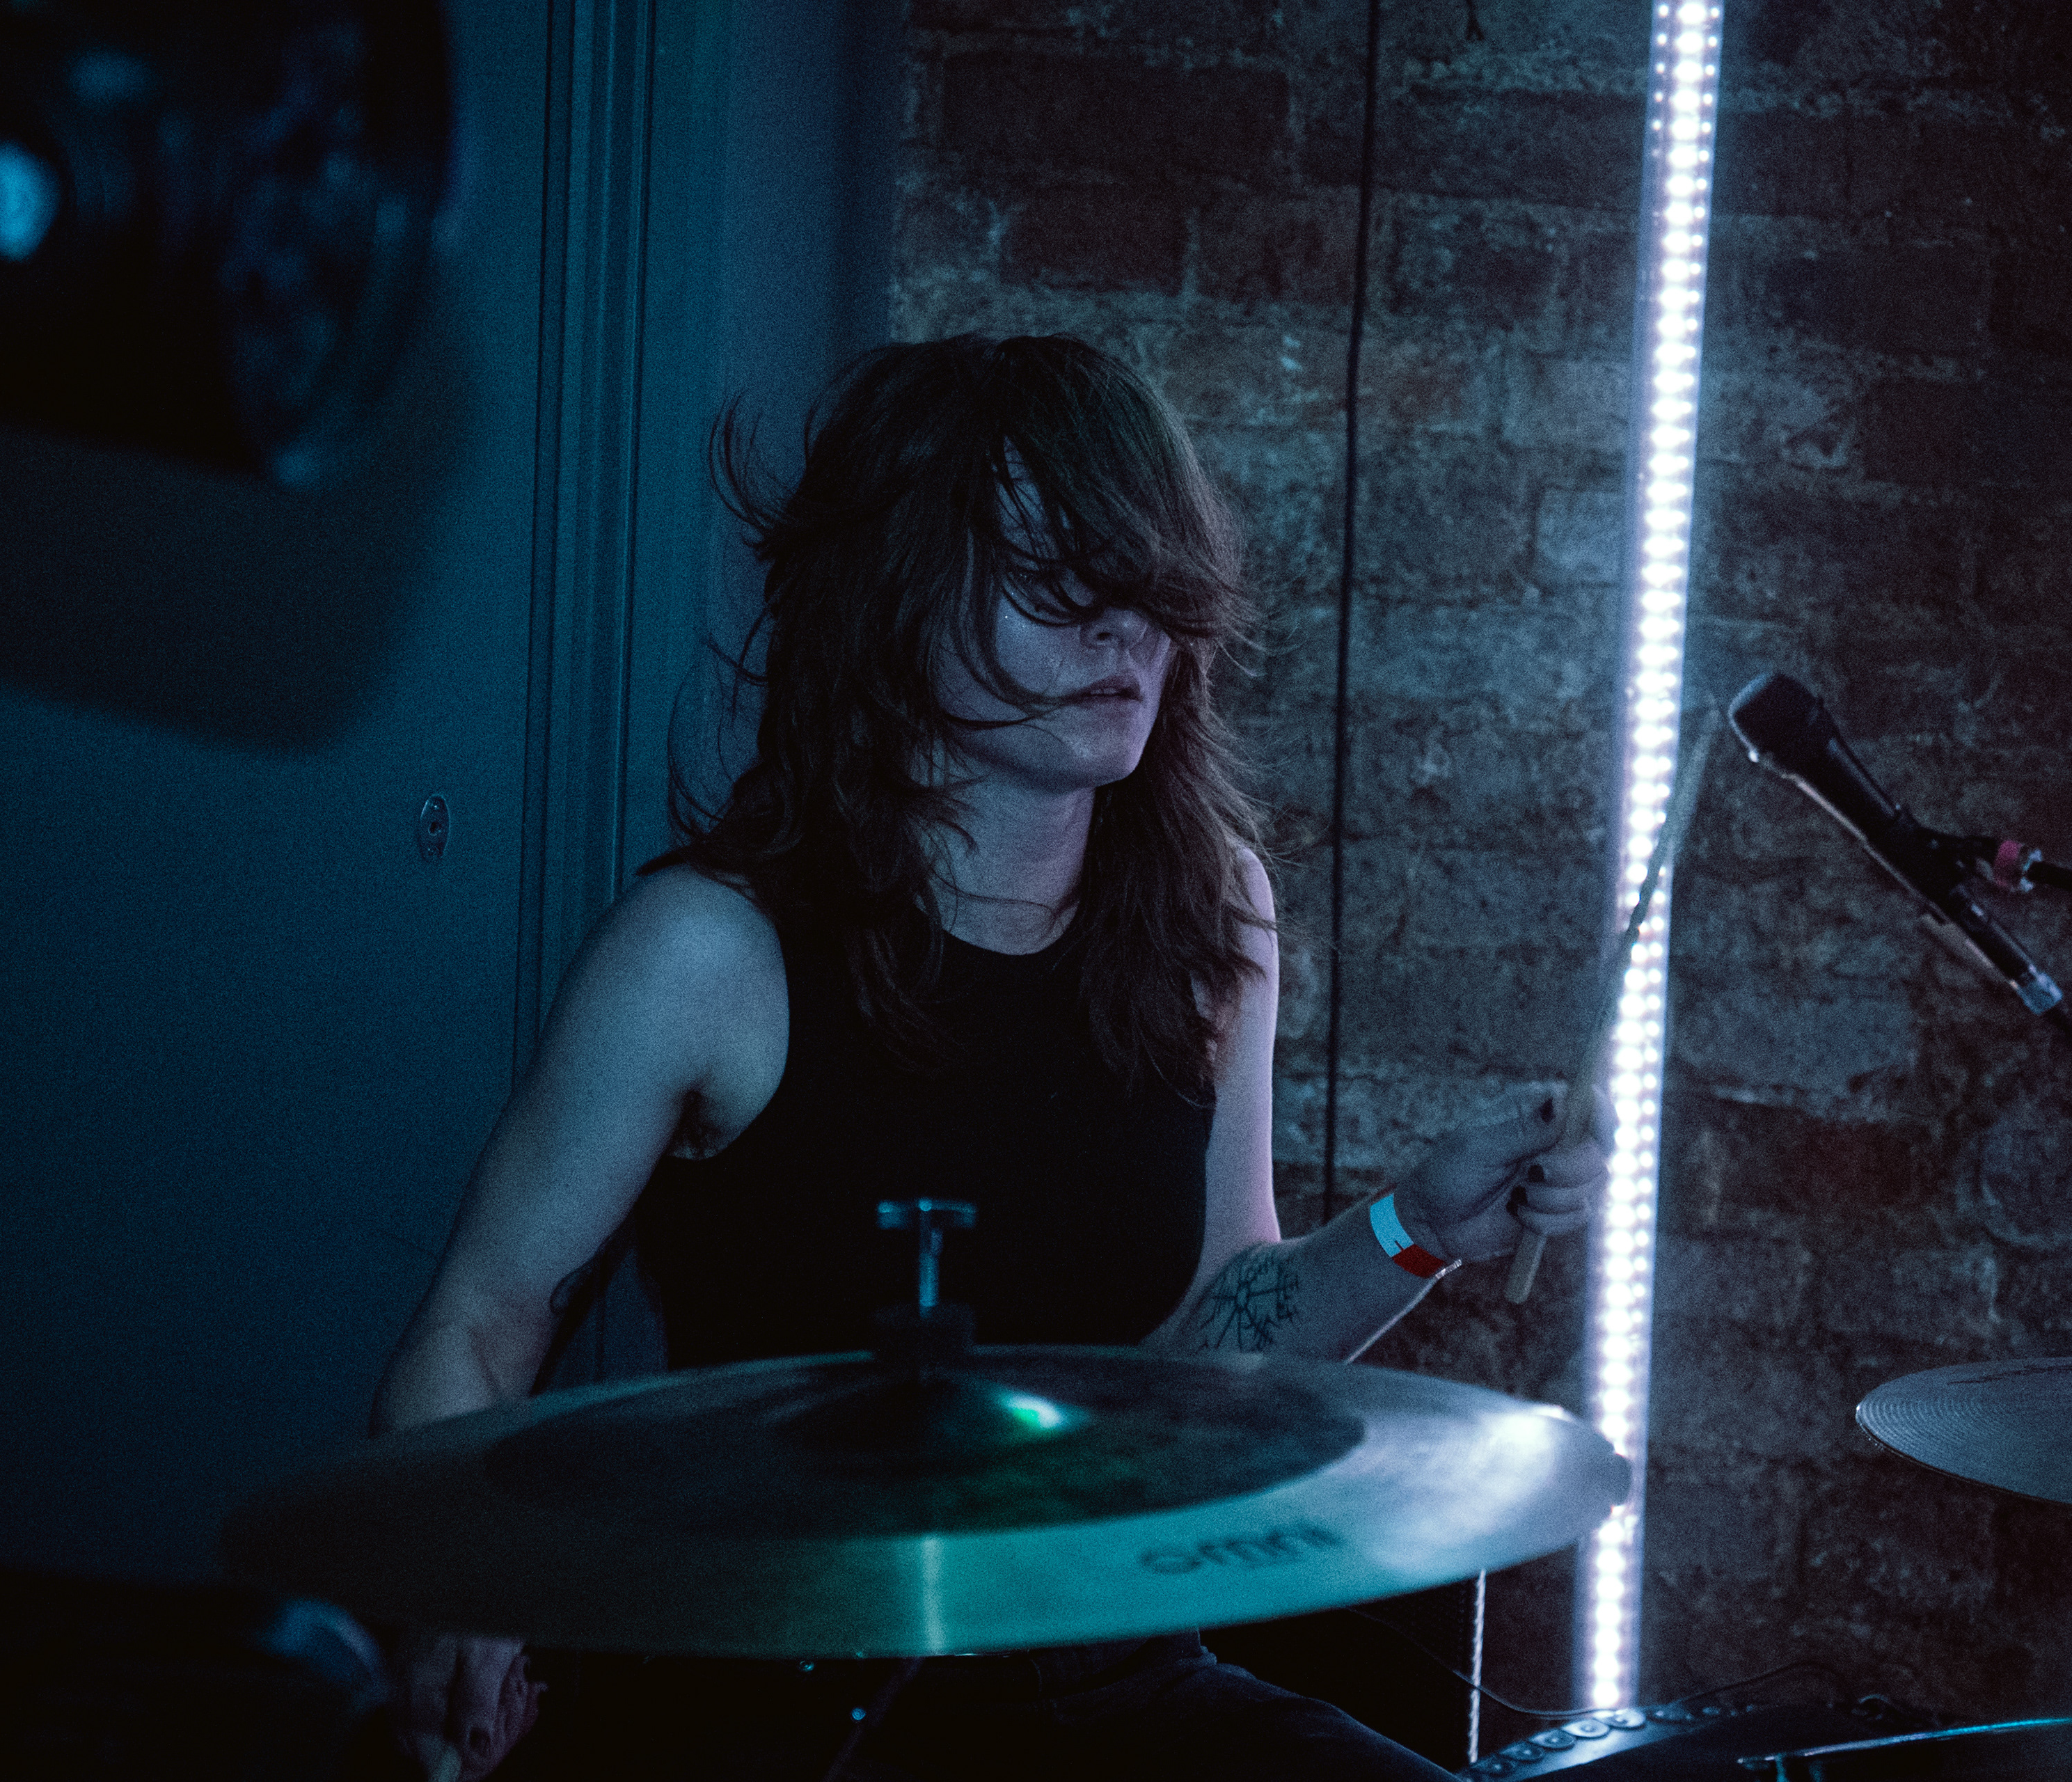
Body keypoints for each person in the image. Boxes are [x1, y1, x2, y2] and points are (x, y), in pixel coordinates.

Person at [368, 333, 1611, 1781]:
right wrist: (457, 1596)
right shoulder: (709, 953)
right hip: (786, 1700)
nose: (1124, 630)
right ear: (898, 595)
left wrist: (1417, 1226)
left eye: (1147, 581)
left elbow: (1212, 1345)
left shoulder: (1213, 915)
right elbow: (475, 1326)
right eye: (1058, 576)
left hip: (1110, 1675)